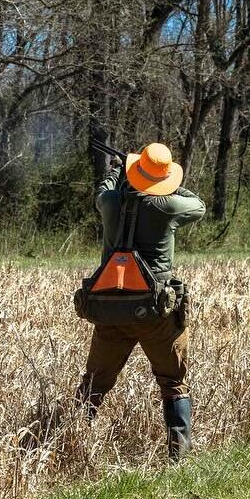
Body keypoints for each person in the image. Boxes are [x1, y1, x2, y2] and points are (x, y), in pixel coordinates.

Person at [77, 141, 205, 460]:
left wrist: (118, 172)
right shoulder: (169, 207)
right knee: (173, 382)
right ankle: (178, 457)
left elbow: (104, 191)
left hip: (110, 310)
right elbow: (198, 205)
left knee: (94, 383)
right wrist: (168, 185)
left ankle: (71, 445)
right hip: (156, 313)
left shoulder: (109, 201)